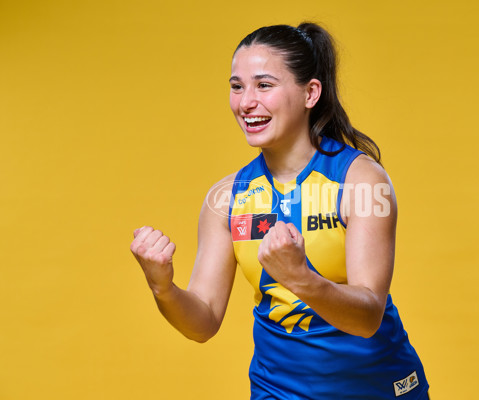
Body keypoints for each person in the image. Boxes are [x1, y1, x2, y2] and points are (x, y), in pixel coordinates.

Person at [130, 23, 430, 399]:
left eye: (264, 85)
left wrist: (300, 277)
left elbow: (368, 316)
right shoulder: (227, 198)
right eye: (237, 86)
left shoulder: (361, 180)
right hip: (279, 391)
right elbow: (202, 321)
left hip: (377, 388)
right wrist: (164, 287)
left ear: (310, 93)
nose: (245, 102)